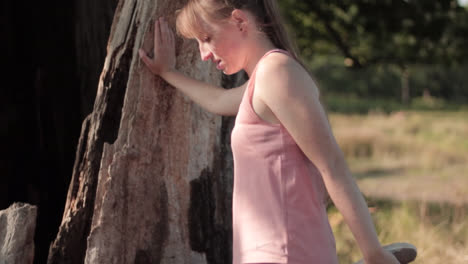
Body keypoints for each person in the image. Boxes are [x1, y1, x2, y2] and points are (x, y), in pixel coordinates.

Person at [139, 1, 401, 264]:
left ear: (240, 22)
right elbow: (219, 101)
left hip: (286, 253)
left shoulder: (276, 72)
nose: (203, 53)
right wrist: (168, 73)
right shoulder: (264, 79)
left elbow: (332, 165)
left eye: (206, 38)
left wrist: (374, 253)